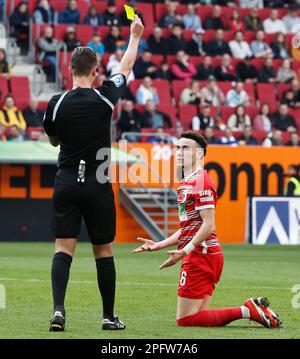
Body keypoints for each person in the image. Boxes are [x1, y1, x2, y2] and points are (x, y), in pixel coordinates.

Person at [43, 15, 144, 332]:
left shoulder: (56, 103)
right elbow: (125, 68)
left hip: (67, 180)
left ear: (70, 70)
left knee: (63, 248)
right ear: (96, 71)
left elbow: (53, 138)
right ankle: (108, 317)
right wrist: (135, 37)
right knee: (103, 250)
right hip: (98, 182)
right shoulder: (105, 96)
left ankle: (59, 311)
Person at [133, 130, 282, 329]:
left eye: (185, 148)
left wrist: (185, 251)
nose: (179, 152)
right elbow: (188, 227)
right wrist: (159, 245)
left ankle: (247, 310)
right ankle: (250, 309)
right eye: (177, 147)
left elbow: (209, 224)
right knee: (198, 316)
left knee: (185, 320)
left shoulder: (201, 182)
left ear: (200, 154)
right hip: (205, 254)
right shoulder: (187, 182)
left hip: (200, 256)